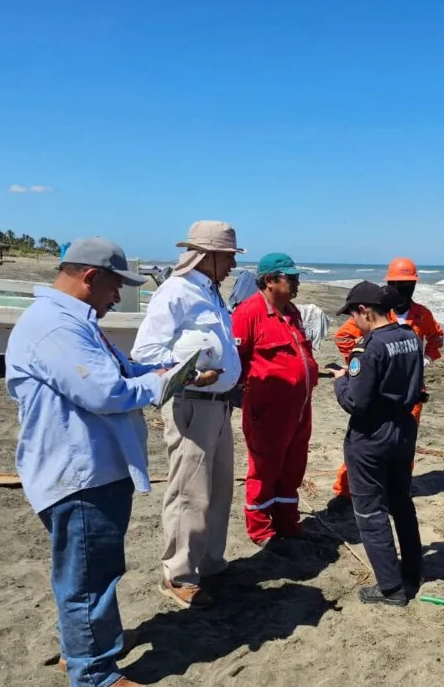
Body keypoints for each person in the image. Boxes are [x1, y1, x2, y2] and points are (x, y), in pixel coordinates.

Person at [6, 238, 172, 687]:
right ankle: (92, 675)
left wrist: (158, 370)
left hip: (91, 467)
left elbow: (116, 371)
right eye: (115, 286)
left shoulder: (72, 322)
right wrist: (159, 382)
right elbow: (104, 391)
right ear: (90, 277)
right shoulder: (56, 326)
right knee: (87, 576)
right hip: (79, 472)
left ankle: (84, 645)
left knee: (90, 569)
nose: (117, 297)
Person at [131, 220, 243, 609]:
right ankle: (178, 574)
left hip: (218, 405)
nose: (232, 265)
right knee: (189, 492)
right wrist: (193, 375)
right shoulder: (176, 292)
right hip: (192, 403)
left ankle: (208, 561)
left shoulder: (210, 292)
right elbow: (146, 351)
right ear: (207, 256)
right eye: (227, 257)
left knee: (218, 488)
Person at [332, 281, 425, 607]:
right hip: (404, 427)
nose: (353, 322)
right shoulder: (410, 337)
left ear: (364, 311)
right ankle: (412, 570)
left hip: (372, 434)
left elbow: (356, 402)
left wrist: (341, 381)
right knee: (401, 502)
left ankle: (391, 587)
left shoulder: (369, 347)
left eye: (353, 315)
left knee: (370, 511)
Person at [331, 256, 443, 499]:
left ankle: (398, 489)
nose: (401, 289)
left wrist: (426, 358)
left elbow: (436, 337)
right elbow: (343, 336)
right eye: (396, 284)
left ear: (414, 285)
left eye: (407, 284)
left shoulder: (422, 314)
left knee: (404, 443)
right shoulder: (378, 313)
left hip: (410, 392)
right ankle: (346, 491)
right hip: (378, 390)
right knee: (365, 440)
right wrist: (362, 363)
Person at [231, 252, 320, 546]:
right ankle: (261, 529)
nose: (296, 283)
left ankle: (287, 522)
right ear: (270, 280)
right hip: (267, 411)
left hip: (300, 408)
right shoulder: (248, 313)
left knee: (293, 466)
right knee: (265, 467)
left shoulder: (292, 312)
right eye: (290, 278)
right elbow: (235, 362)